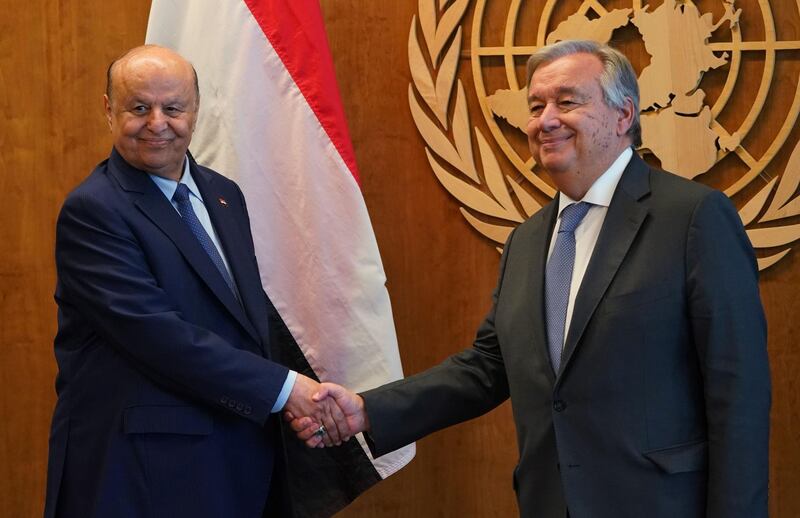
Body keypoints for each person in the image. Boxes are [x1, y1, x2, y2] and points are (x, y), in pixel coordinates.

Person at [290, 40, 771, 517]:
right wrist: (368, 410)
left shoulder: (693, 218)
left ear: (624, 115)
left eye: (567, 102)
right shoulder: (528, 238)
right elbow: (487, 367)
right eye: (536, 106)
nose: (546, 121)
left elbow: (738, 392)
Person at [44, 45, 351, 518]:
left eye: (173, 108)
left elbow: (244, 323)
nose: (158, 123)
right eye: (139, 107)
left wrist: (282, 401)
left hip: (238, 457)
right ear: (109, 110)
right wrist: (288, 390)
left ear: (196, 110)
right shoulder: (95, 211)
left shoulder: (225, 196)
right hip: (145, 473)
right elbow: (158, 337)